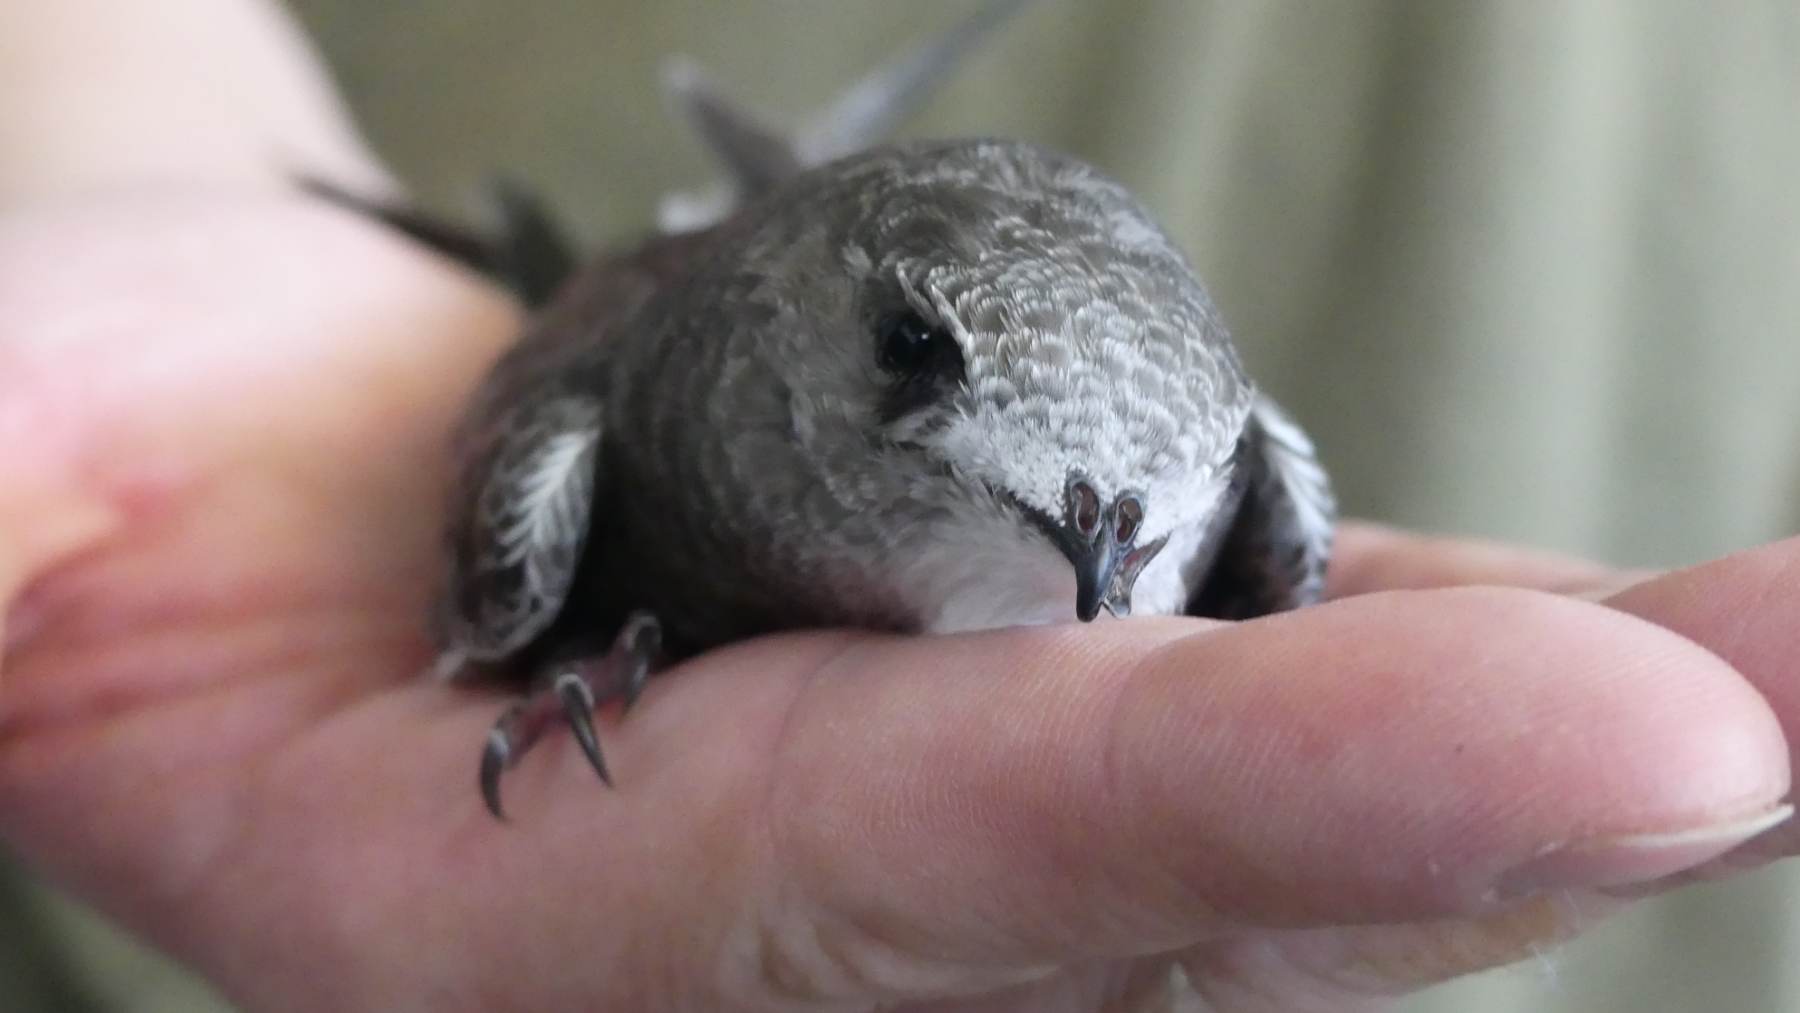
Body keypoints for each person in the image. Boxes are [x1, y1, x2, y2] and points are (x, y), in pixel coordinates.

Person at [2, 1, 1796, 1010]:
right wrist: (106, 154)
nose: (1109, 583)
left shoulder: (1216, 472)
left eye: (1139, 536)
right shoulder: (628, 409)